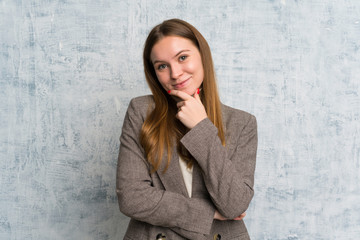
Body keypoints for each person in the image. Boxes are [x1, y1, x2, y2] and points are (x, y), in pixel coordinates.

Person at [116, 18, 257, 240]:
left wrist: (201, 128)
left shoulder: (242, 123)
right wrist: (207, 213)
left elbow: (235, 205)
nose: (175, 73)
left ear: (202, 55)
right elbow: (132, 198)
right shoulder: (141, 111)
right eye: (162, 66)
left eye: (183, 57)